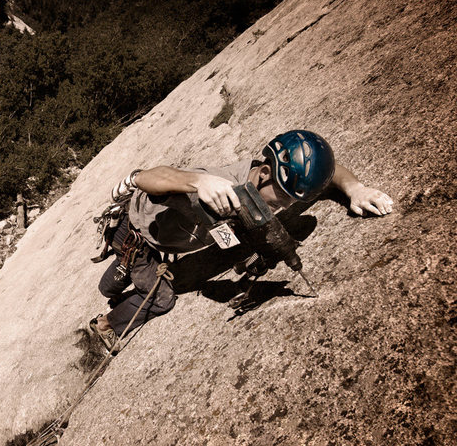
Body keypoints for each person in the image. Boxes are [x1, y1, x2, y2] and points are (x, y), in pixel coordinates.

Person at [89, 130, 394, 350]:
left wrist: (355, 189)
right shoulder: (215, 186)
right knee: (161, 297)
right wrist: (197, 181)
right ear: (263, 174)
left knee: (118, 282)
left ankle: (118, 283)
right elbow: (150, 178)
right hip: (136, 233)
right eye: (280, 202)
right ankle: (105, 323)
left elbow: (326, 170)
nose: (284, 209)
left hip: (163, 240)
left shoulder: (277, 184)